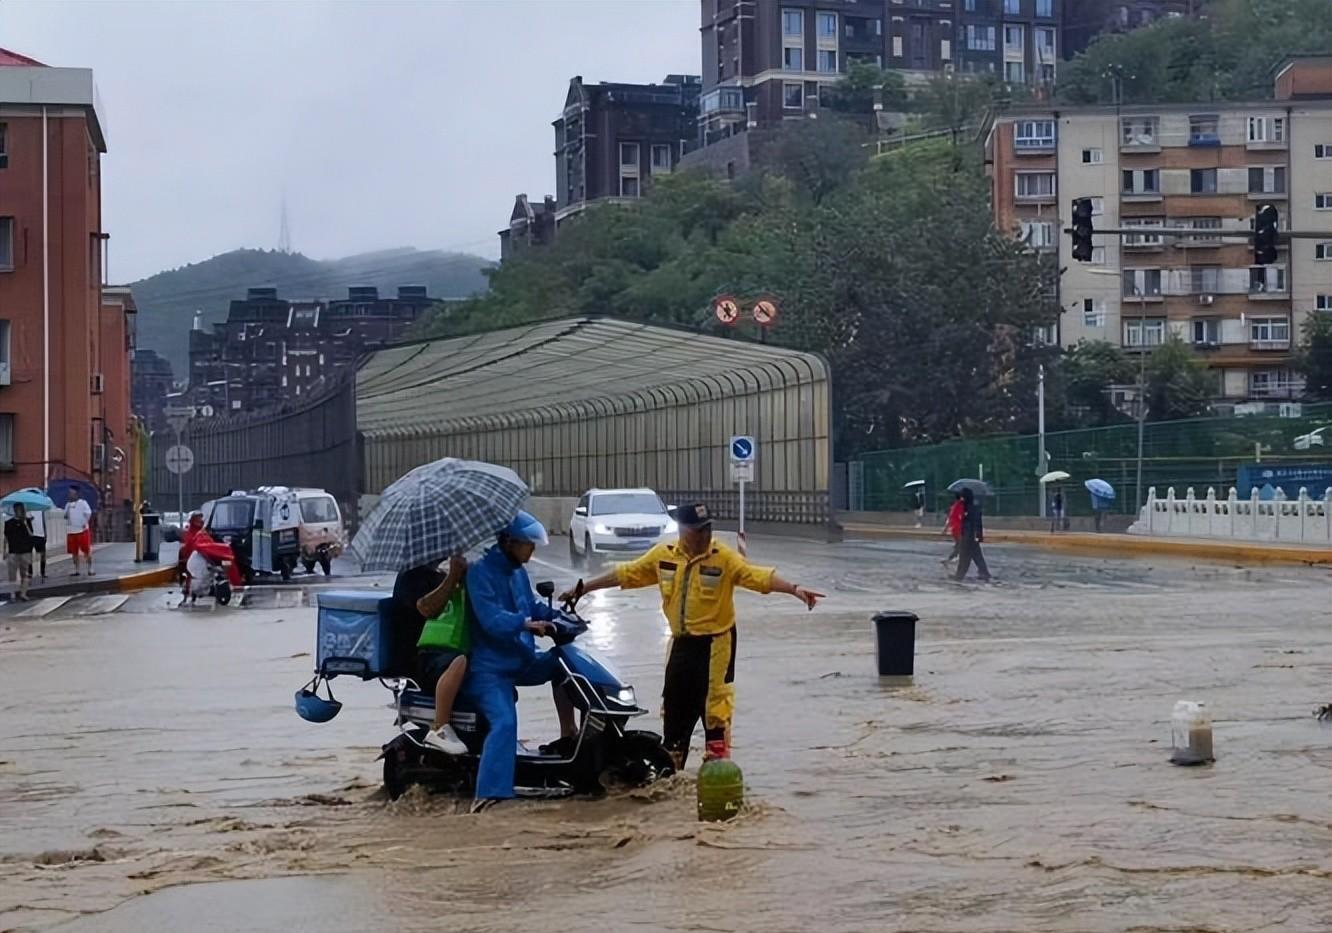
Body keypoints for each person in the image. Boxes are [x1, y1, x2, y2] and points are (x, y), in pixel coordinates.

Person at [564, 503, 823, 769]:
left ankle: (717, 767)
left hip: (716, 644)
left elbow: (756, 576)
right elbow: (627, 573)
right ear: (683, 530)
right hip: (681, 644)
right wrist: (584, 588)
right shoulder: (664, 556)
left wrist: (794, 589)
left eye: (708, 529)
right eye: (698, 530)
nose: (704, 536)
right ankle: (672, 770)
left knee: (715, 707)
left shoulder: (722, 557)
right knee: (674, 708)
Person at [462, 511, 577, 811]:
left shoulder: (516, 572)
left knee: (562, 663)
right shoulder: (479, 572)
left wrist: (559, 616)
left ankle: (570, 735)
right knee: (504, 722)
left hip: (520, 658)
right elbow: (491, 620)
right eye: (528, 545)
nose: (532, 551)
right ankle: (489, 794)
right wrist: (524, 624)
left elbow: (531, 605)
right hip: (490, 669)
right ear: (510, 542)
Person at [392, 554, 470, 755]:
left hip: (440, 648)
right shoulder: (411, 576)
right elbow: (428, 608)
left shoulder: (433, 574)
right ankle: (440, 727)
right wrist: (452, 576)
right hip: (420, 655)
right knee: (459, 661)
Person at [953, 487, 992, 583]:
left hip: (967, 536)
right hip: (972, 536)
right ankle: (984, 573)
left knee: (964, 558)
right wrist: (979, 536)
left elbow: (972, 523)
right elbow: (979, 523)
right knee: (977, 556)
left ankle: (959, 576)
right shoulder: (973, 507)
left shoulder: (968, 508)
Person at [4, 503, 35, 601]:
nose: (18, 511)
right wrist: (4, 550)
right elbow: (5, 538)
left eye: (20, 510)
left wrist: (25, 524)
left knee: (24, 573)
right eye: (16, 510)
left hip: (25, 550)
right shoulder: (8, 523)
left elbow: (31, 534)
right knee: (12, 574)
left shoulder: (27, 521)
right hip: (13, 551)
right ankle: (12, 594)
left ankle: (23, 593)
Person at [64, 488, 94, 576]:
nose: (70, 495)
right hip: (71, 531)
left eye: (72, 493)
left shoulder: (82, 503)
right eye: (69, 493)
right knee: (74, 552)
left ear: (76, 494)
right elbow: (65, 516)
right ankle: (76, 569)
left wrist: (84, 522)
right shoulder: (68, 505)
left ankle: (90, 568)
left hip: (82, 530)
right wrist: (66, 513)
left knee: (86, 550)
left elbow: (88, 513)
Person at [941, 492, 964, 565]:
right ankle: (950, 560)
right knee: (960, 546)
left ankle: (954, 558)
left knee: (959, 545)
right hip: (958, 528)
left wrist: (945, 529)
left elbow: (950, 519)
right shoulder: (960, 506)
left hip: (955, 529)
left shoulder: (954, 506)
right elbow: (962, 517)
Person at [27, 504, 47, 581]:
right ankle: (30, 573)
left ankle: (43, 572)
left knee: (43, 555)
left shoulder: (40, 509)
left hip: (41, 535)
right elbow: (25, 522)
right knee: (29, 555)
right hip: (31, 535)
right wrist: (28, 519)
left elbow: (43, 521)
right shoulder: (28, 510)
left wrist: (45, 533)